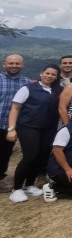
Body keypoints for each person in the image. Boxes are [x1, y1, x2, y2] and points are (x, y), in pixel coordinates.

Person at [6, 64, 63, 202]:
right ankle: (17, 189)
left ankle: (30, 185)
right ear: (41, 73)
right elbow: (15, 108)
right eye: (47, 73)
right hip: (28, 126)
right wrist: (11, 128)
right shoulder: (28, 88)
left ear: (56, 77)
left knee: (41, 156)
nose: (49, 76)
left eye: (53, 74)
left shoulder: (58, 90)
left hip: (49, 128)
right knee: (30, 157)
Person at [0, 54, 30, 192]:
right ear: (4, 64)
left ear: (22, 65)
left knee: (5, 154)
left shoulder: (27, 83)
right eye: (11, 63)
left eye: (17, 63)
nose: (14, 66)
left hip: (12, 127)